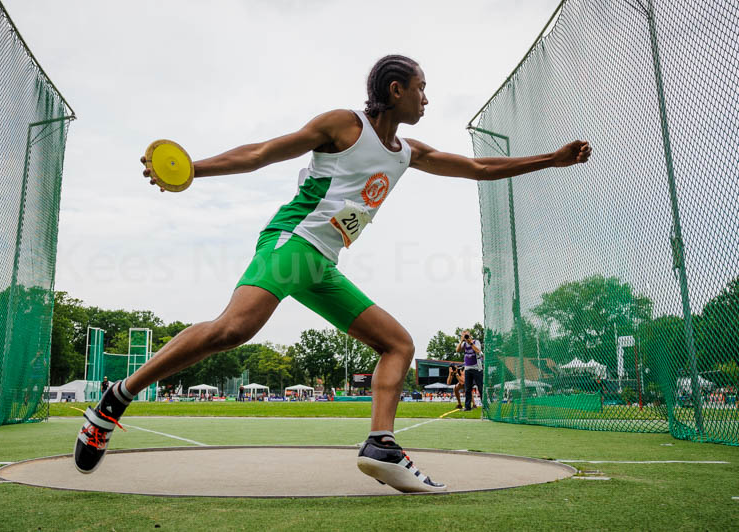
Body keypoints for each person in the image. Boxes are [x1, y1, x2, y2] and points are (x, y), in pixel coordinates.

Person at [74, 54, 591, 491]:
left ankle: (381, 445)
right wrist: (195, 169)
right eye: (421, 89)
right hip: (293, 242)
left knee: (398, 344)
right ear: (396, 90)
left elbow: (477, 169)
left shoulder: (407, 153)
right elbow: (262, 153)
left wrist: (551, 159)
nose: (427, 99)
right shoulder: (345, 125)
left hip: (321, 263)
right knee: (232, 330)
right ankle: (116, 399)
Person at [456, 331, 483, 412]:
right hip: (467, 368)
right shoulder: (464, 344)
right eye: (464, 336)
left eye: (466, 335)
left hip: (477, 368)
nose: (466, 337)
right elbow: (457, 350)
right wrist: (461, 341)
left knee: (480, 387)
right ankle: (467, 407)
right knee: (467, 388)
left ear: (470, 335)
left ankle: (485, 405)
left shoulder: (476, 342)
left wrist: (470, 343)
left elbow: (478, 351)